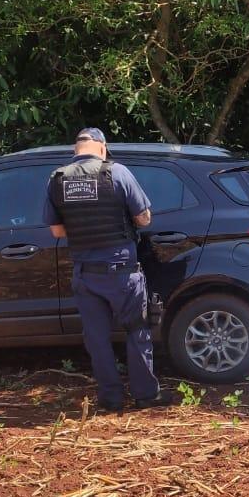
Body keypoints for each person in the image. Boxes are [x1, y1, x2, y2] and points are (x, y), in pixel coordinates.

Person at [44, 128, 171, 412]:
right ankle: (145, 395)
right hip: (122, 272)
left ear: (75, 149)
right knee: (137, 331)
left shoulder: (58, 178)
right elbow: (143, 219)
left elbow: (56, 231)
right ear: (102, 147)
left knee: (97, 338)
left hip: (86, 274)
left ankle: (111, 399)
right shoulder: (117, 173)